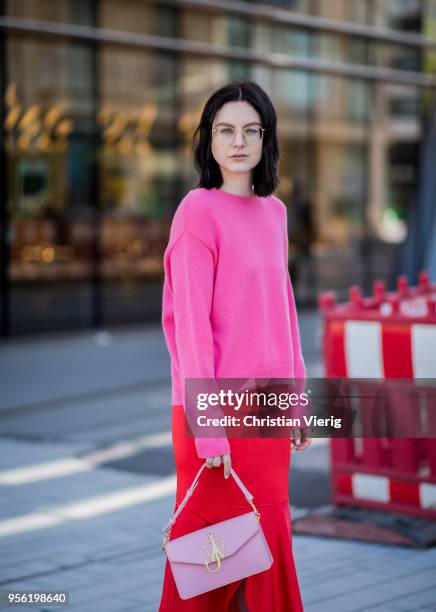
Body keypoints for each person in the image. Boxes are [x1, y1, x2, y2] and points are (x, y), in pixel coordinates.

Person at [159, 79, 311, 611]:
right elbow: (191, 330)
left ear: (267, 139)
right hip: (214, 413)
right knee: (209, 563)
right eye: (226, 130)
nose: (238, 141)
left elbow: (284, 312)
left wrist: (295, 403)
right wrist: (209, 430)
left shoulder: (275, 214)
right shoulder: (196, 212)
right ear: (209, 139)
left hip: (267, 409)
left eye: (251, 130)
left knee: (266, 548)